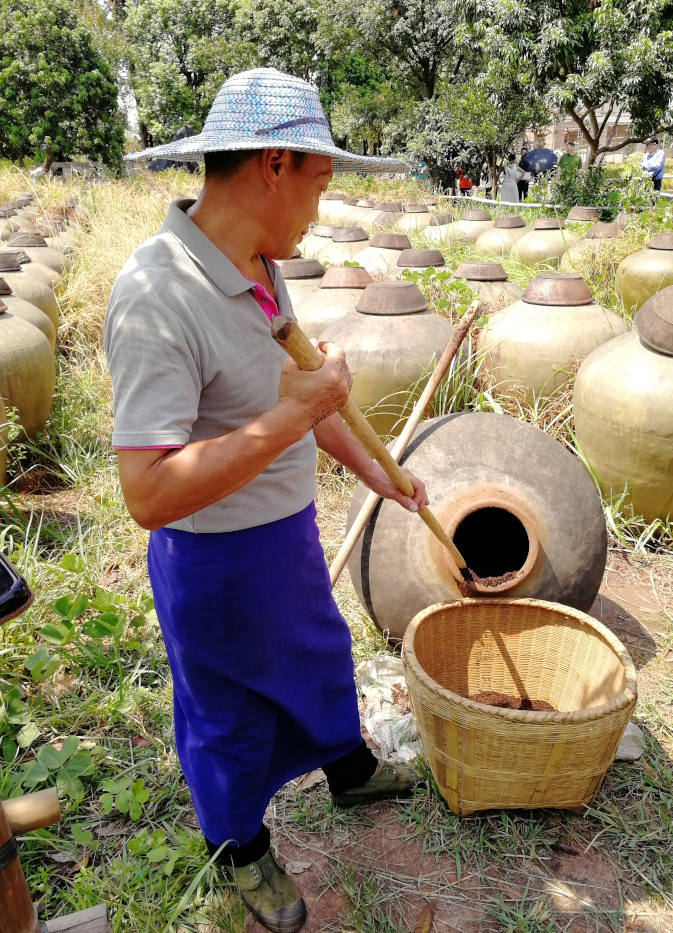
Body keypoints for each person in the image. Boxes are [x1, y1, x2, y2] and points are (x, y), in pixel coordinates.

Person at [105, 68, 429, 933]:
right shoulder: (155, 294)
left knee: (318, 652)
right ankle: (241, 845)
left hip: (283, 531)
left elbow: (301, 410)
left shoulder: (257, 267)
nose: (321, 209)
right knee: (227, 708)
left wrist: (378, 473)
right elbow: (147, 492)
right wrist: (291, 413)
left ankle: (349, 766)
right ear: (276, 164)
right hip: (211, 557)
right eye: (320, 182)